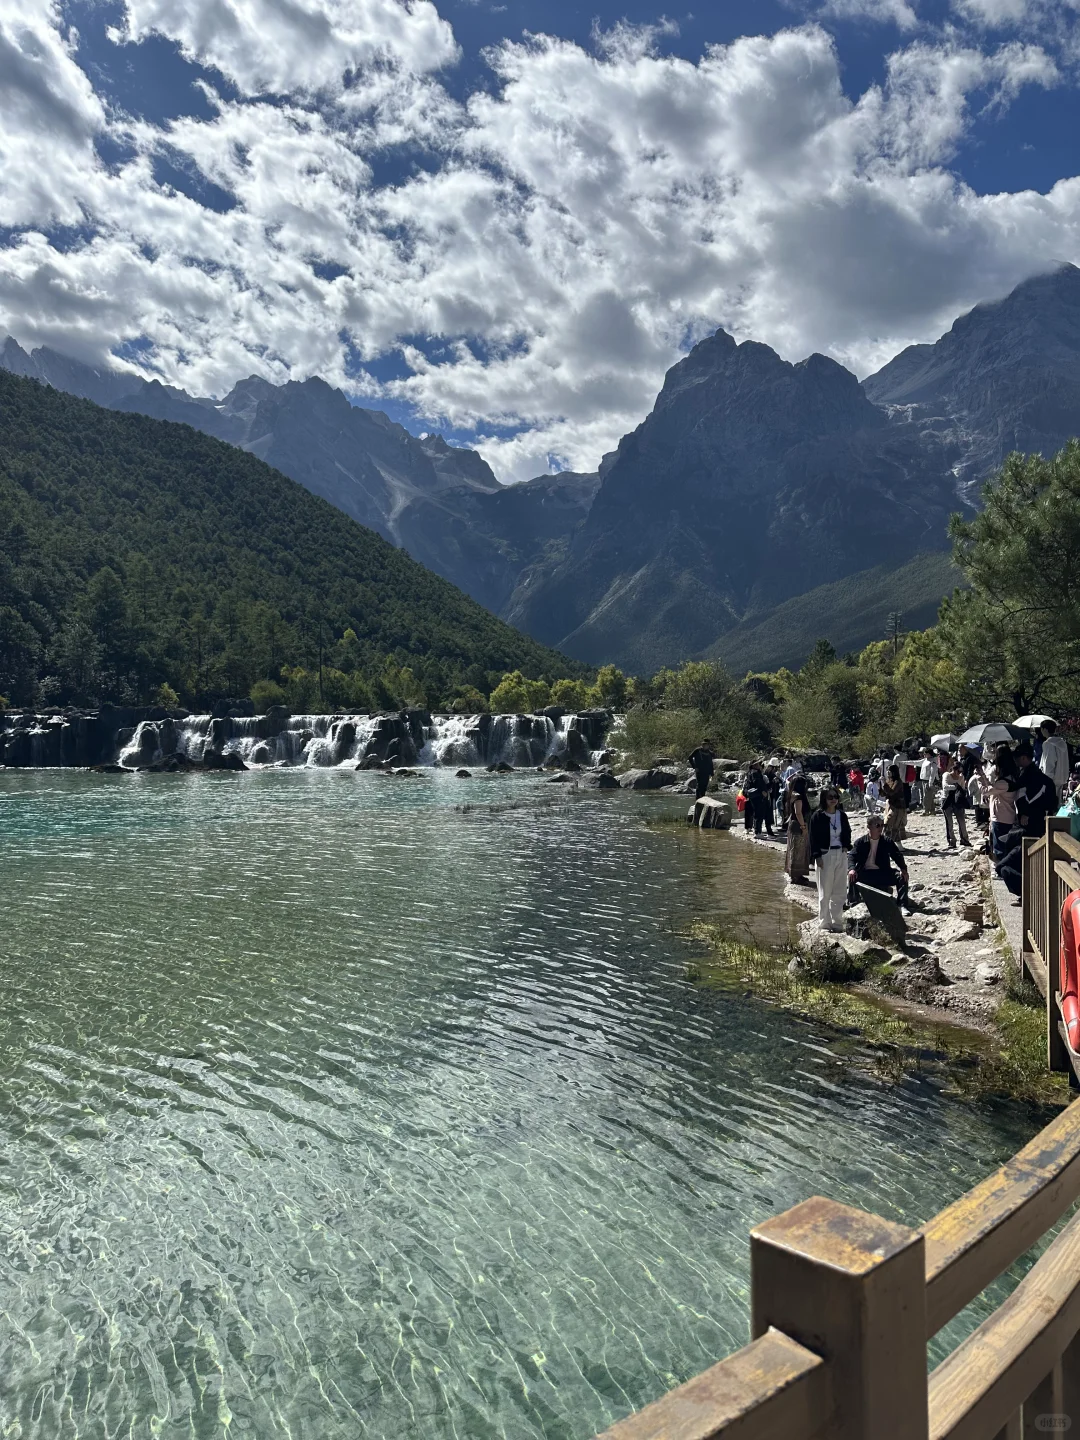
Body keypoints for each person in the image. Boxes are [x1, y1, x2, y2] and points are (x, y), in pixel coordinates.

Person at [809, 787, 851, 932]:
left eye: (835, 796)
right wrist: (817, 856)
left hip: (840, 853)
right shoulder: (817, 816)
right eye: (830, 797)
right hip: (825, 855)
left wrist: (846, 846)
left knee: (839, 891)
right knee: (825, 891)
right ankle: (825, 922)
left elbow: (847, 831)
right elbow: (812, 838)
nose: (833, 799)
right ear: (824, 799)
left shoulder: (842, 815)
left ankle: (837, 922)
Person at [849, 814, 910, 910]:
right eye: (877, 825)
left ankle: (902, 905)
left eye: (882, 825)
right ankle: (853, 904)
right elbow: (852, 856)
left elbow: (897, 855)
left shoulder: (887, 841)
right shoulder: (860, 842)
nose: (881, 828)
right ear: (869, 827)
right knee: (852, 875)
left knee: (901, 877)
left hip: (882, 872)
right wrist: (852, 869)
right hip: (866, 873)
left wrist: (903, 869)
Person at [1016, 746, 1057, 837]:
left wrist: (1025, 812)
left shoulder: (1031, 775)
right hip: (1037, 815)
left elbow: (1031, 795)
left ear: (1024, 757)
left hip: (1033, 816)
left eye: (1017, 758)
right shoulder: (1030, 772)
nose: (1016, 760)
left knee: (1031, 840)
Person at [784, 776, 812, 885]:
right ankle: (796, 876)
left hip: (793, 825)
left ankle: (796, 874)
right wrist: (803, 827)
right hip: (798, 826)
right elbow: (798, 812)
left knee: (794, 850)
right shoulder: (798, 797)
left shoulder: (791, 794)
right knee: (798, 851)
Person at [941, 758, 972, 848]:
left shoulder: (961, 777)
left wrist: (958, 787)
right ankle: (951, 841)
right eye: (958, 771)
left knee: (961, 821)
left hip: (958, 800)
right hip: (947, 799)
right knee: (949, 822)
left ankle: (964, 839)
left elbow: (962, 788)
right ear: (954, 769)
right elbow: (945, 786)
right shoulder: (946, 775)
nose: (959, 774)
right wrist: (956, 786)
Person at [1040, 721, 1070, 796]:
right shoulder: (1062, 742)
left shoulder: (1048, 743)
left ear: (1045, 729)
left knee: (1049, 805)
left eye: (1041, 729)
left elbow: (1049, 763)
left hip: (1051, 780)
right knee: (1058, 804)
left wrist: (1046, 781)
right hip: (1061, 778)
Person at [881, 764, 908, 842]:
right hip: (890, 805)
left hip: (898, 806)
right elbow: (884, 793)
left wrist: (884, 784)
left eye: (889, 771)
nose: (888, 772)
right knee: (886, 825)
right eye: (887, 771)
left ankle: (895, 845)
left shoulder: (898, 782)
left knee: (893, 825)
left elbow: (891, 792)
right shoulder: (888, 780)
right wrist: (881, 787)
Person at [919, 747, 939, 815]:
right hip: (923, 780)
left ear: (929, 754)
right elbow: (916, 762)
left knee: (927, 797)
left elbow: (932, 773)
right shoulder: (924, 760)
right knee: (929, 796)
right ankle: (932, 810)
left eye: (925, 753)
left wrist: (930, 782)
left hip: (928, 781)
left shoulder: (933, 762)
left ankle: (926, 810)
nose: (924, 754)